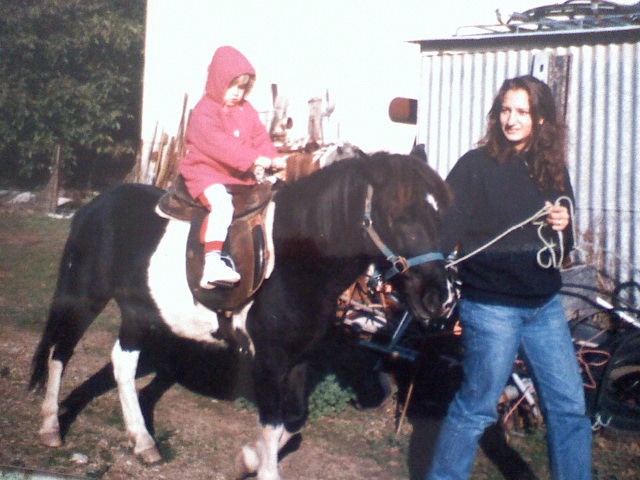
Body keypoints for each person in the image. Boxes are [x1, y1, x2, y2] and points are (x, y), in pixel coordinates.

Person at [427, 75, 592, 480]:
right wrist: (428, 269)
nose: (511, 120)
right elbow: (443, 231)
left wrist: (564, 223)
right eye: (505, 110)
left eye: (522, 112)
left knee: (570, 408)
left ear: (540, 119)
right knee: (476, 409)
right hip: (491, 308)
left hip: (544, 308)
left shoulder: (551, 169)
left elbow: (564, 247)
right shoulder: (475, 166)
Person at [179, 46, 285, 289]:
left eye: (243, 87)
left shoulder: (246, 110)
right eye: (233, 86)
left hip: (236, 175)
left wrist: (273, 157)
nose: (238, 93)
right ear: (218, 82)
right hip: (206, 172)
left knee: (270, 199)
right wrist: (254, 159)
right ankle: (212, 263)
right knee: (222, 205)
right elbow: (221, 146)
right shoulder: (205, 112)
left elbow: (260, 138)